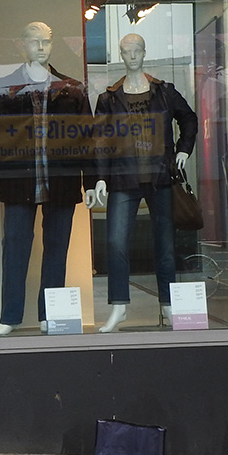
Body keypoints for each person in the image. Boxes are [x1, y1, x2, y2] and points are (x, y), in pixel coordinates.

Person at [0, 21, 95, 334]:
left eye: (45, 41)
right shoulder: (3, 88)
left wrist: (92, 179)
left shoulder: (71, 89)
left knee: (57, 248)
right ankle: (10, 316)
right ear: (23, 45)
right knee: (15, 247)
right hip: (18, 181)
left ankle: (51, 315)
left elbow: (87, 137)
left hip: (61, 179)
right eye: (34, 42)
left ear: (52, 44)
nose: (40, 47)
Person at [90, 33, 198, 332]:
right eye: (127, 51)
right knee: (115, 241)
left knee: (164, 243)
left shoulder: (164, 92)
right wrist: (99, 177)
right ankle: (119, 307)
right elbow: (98, 140)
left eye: (137, 50)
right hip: (123, 178)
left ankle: (167, 304)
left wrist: (183, 149)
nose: (132, 55)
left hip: (160, 176)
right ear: (121, 55)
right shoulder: (109, 98)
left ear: (144, 52)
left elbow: (188, 118)